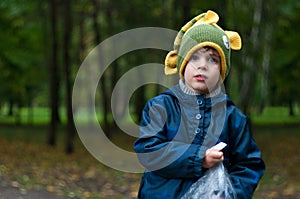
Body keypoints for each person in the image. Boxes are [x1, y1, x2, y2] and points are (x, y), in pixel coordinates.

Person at [133, 10, 265, 199]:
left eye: (213, 59)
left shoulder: (233, 118)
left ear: (222, 70)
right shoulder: (161, 107)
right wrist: (198, 157)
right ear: (182, 64)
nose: (202, 65)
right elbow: (148, 151)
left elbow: (249, 165)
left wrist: (229, 194)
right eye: (194, 57)